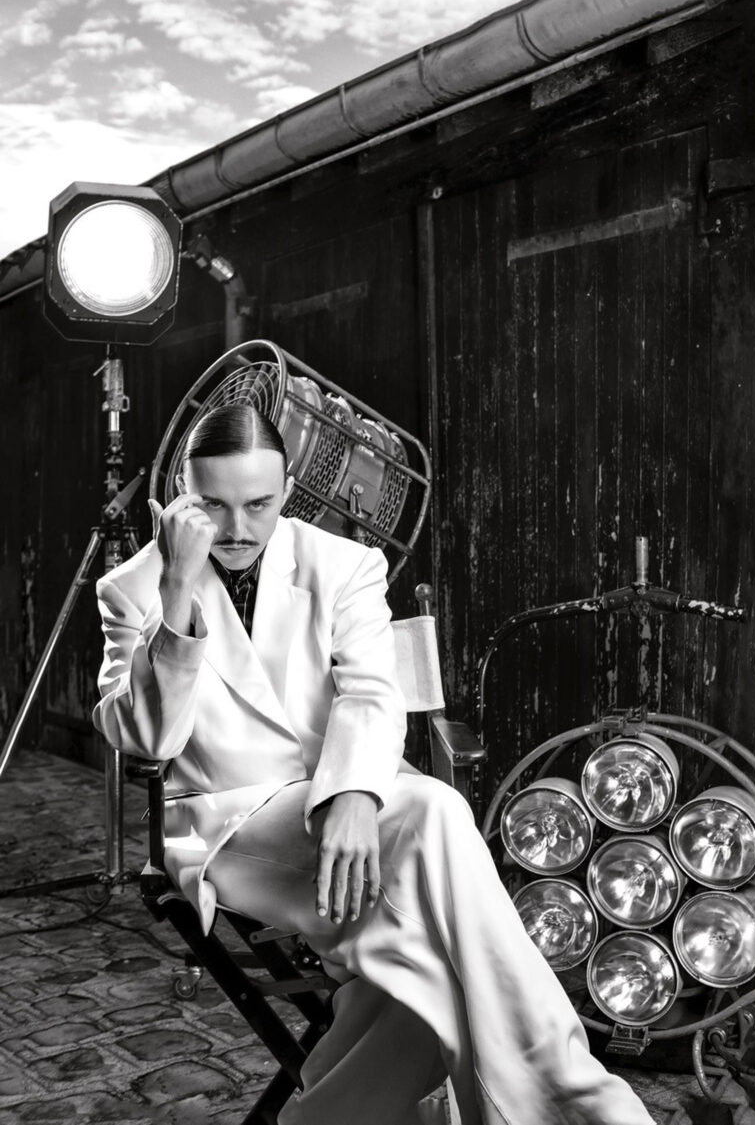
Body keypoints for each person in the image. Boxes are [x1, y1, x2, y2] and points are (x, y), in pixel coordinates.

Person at [93, 403, 654, 1125]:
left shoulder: (343, 562)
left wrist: (353, 794)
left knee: (432, 966)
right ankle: (578, 1098)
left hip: (348, 798)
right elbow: (145, 743)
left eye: (259, 504)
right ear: (181, 495)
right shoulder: (132, 586)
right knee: (437, 819)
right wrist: (176, 593)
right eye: (213, 505)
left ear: (288, 488)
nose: (237, 529)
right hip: (227, 821)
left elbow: (372, 691)